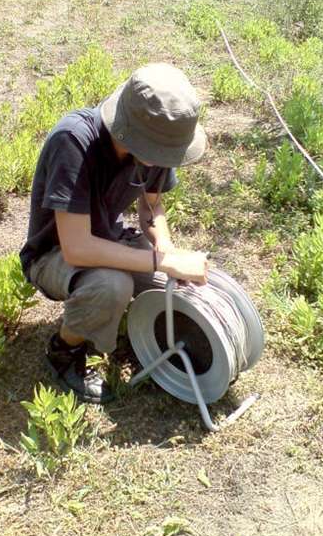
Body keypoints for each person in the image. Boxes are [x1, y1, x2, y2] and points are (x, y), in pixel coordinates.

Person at [20, 63, 209, 405]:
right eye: (158, 154)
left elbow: (153, 207)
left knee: (174, 287)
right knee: (111, 286)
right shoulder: (74, 142)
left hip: (109, 239)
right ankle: (64, 351)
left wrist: (165, 246)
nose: (160, 161)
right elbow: (76, 248)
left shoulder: (156, 141)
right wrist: (161, 261)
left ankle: (142, 336)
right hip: (54, 254)